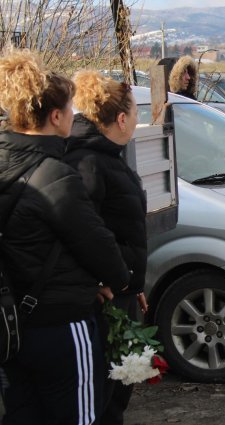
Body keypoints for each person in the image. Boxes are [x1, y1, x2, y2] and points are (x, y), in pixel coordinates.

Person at [0, 49, 130, 424]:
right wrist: (118, 279)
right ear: (55, 117)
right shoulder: (55, 175)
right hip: (60, 324)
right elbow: (97, 244)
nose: (74, 116)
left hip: (10, 325)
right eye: (71, 109)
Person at [63, 70, 148, 425]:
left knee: (118, 392)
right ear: (122, 119)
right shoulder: (88, 162)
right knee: (101, 398)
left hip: (123, 291)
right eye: (136, 113)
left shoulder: (108, 156)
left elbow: (122, 230)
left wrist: (136, 286)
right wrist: (98, 282)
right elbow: (80, 231)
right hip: (103, 302)